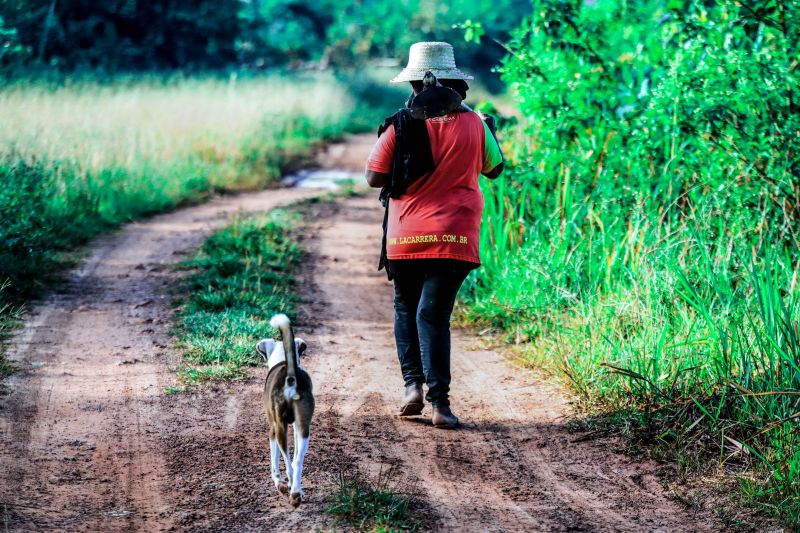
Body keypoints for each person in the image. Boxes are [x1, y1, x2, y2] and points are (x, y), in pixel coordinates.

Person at [365, 42, 504, 429]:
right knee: (434, 314)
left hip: (405, 234)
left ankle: (412, 386)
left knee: (407, 307)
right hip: (455, 235)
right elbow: (494, 170)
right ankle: (440, 406)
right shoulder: (477, 122)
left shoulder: (400, 123)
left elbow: (373, 177)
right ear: (456, 84)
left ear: (415, 86)